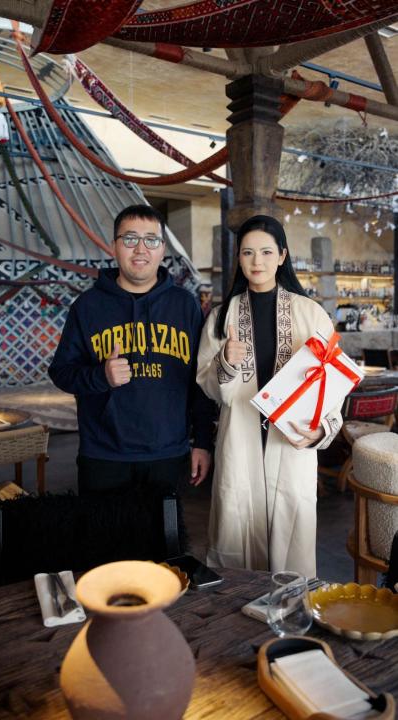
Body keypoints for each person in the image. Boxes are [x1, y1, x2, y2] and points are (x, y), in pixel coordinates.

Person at [196, 215, 342, 578]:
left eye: (265, 252)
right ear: (239, 259)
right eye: (247, 252)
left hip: (291, 445)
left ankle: (289, 609)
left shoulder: (310, 314)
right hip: (239, 442)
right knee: (236, 540)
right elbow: (206, 385)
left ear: (282, 256)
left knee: (292, 555)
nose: (256, 261)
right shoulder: (221, 317)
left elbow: (332, 384)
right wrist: (225, 362)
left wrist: (321, 430)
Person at [49, 204, 214, 508]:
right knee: (105, 537)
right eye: (130, 239)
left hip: (169, 453)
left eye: (151, 240)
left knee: (165, 537)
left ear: (162, 249)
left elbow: (200, 381)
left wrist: (202, 442)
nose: (140, 248)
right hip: (103, 455)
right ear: (114, 246)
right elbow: (61, 372)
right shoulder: (87, 306)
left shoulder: (185, 305)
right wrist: (101, 376)